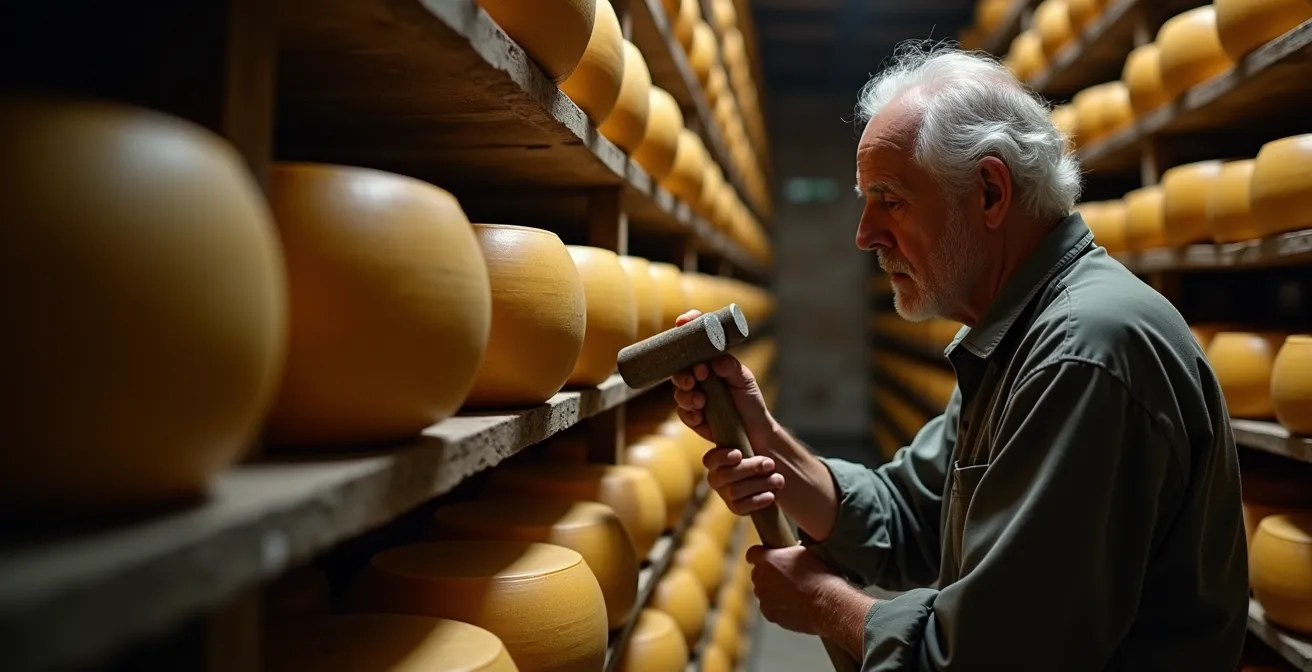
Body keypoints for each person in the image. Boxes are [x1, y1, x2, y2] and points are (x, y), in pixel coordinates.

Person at [671, 44, 1248, 671]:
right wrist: (766, 438)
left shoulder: (1081, 356)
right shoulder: (1013, 336)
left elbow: (991, 655)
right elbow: (913, 515)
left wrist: (824, 603)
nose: (864, 234)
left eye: (890, 199)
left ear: (990, 192)